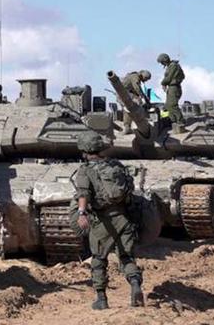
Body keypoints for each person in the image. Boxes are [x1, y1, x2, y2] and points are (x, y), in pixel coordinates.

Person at [73, 131, 144, 310]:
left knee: (98, 258)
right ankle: (135, 284)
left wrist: (81, 213)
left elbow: (83, 194)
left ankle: (101, 298)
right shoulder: (116, 165)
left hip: (103, 221)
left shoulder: (85, 170)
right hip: (124, 218)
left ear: (84, 150)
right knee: (126, 257)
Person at [157, 53, 186, 132]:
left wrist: (163, 83)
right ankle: (171, 120)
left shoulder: (173, 66)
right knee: (167, 106)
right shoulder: (170, 66)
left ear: (165, 60)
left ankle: (180, 121)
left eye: (162, 62)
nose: (162, 64)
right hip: (171, 87)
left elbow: (169, 77)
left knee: (172, 105)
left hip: (174, 87)